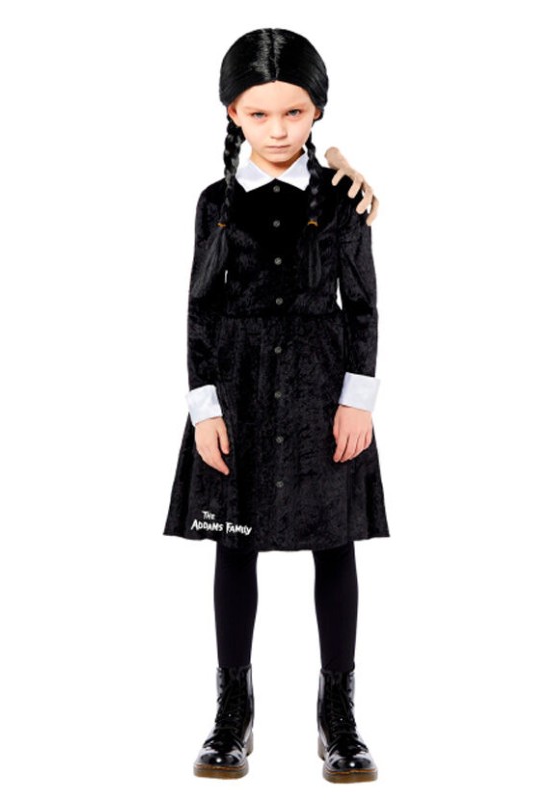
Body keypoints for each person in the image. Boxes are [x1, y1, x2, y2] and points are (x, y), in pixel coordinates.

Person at [162, 28, 390, 783]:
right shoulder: (216, 203)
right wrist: (205, 409)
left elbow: (363, 306)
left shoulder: (344, 197)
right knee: (235, 546)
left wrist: (357, 400)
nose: (279, 129)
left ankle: (338, 713)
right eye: (259, 114)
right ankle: (233, 708)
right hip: (241, 391)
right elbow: (200, 308)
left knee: (335, 544)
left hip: (323, 392)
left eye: (293, 112)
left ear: (317, 110)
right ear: (232, 113)